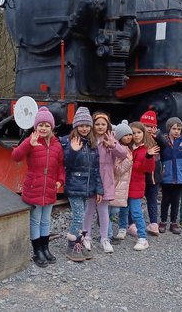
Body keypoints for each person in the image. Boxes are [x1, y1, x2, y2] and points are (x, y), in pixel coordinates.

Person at [11, 107, 64, 267]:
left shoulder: (56, 144)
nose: (43, 128)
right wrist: (28, 144)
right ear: (35, 126)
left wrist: (60, 180)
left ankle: (45, 248)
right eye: (40, 125)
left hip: (49, 188)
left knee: (46, 220)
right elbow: (15, 157)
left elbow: (61, 165)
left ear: (51, 127)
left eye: (47, 125)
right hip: (34, 187)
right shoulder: (30, 141)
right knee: (35, 220)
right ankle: (37, 251)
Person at [61, 107, 103, 262]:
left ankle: (78, 241)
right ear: (76, 126)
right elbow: (66, 164)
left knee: (83, 215)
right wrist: (73, 150)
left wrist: (99, 189)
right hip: (74, 185)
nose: (84, 128)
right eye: (81, 125)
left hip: (87, 186)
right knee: (79, 216)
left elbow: (97, 169)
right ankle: (72, 244)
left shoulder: (93, 143)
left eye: (87, 125)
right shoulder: (68, 141)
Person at [82, 111, 128, 254]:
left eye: (103, 124)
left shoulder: (110, 138)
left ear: (107, 125)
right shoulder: (89, 140)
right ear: (93, 125)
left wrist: (113, 145)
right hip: (91, 178)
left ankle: (104, 239)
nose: (100, 127)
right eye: (97, 124)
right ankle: (86, 236)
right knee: (89, 209)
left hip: (106, 178)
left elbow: (123, 154)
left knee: (103, 210)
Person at [159, 117, 182, 234]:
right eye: (174, 128)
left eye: (179, 129)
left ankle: (174, 222)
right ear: (169, 128)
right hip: (167, 175)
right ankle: (163, 221)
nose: (176, 131)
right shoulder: (163, 141)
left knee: (176, 200)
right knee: (165, 200)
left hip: (180, 175)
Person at [126, 122, 159, 250]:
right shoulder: (128, 148)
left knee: (135, 211)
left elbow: (147, 168)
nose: (136, 135)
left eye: (139, 132)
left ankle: (143, 237)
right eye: (133, 133)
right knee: (124, 210)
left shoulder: (145, 150)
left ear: (143, 133)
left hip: (136, 184)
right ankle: (124, 230)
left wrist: (149, 156)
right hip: (125, 184)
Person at [109, 120, 134, 242]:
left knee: (124, 206)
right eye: (126, 135)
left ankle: (121, 228)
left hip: (129, 183)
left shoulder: (131, 148)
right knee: (114, 208)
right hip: (119, 183)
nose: (129, 137)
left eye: (130, 134)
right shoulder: (118, 150)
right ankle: (107, 227)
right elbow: (117, 170)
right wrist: (128, 161)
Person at [140, 110, 163, 236]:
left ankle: (154, 223)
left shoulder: (157, 139)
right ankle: (132, 222)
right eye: (146, 126)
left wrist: (158, 137)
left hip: (154, 175)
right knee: (136, 200)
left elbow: (165, 147)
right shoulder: (138, 137)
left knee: (152, 199)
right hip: (141, 175)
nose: (148, 129)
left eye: (151, 126)